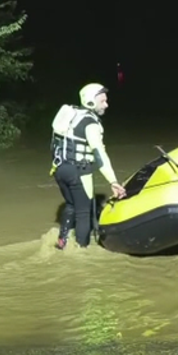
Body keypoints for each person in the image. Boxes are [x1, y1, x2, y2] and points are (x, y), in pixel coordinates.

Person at [49, 83, 126, 250]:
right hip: (78, 172)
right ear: (91, 102)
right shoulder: (91, 124)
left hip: (59, 170)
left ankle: (62, 241)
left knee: (71, 205)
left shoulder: (72, 115)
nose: (106, 105)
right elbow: (99, 154)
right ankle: (81, 250)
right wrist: (113, 181)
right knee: (84, 213)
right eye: (102, 101)